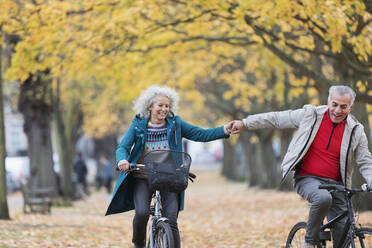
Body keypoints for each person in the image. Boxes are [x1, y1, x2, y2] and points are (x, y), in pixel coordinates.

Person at [228, 85, 372, 248]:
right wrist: (245, 123)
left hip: (338, 185)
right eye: (334, 104)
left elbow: (365, 161)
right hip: (308, 178)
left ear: (350, 107)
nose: (337, 110)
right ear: (328, 101)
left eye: (343, 106)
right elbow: (276, 118)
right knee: (323, 198)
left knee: (344, 235)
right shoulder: (311, 115)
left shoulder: (356, 130)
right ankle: (309, 242)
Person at [105, 85, 231, 248]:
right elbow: (123, 147)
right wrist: (122, 160)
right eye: (160, 105)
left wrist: (225, 130)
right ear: (150, 106)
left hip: (169, 177)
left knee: (171, 220)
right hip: (142, 176)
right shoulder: (139, 124)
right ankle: (139, 244)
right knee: (142, 212)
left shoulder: (176, 124)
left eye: (167, 106)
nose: (164, 109)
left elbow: (201, 134)